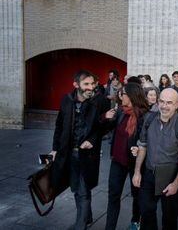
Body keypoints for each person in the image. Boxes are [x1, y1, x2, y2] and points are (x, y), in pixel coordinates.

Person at [50, 70, 109, 230]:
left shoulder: (99, 102)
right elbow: (59, 125)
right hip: (68, 153)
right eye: (86, 84)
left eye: (92, 84)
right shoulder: (66, 100)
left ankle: (80, 225)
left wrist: (92, 140)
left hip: (87, 155)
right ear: (76, 85)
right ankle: (87, 217)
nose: (91, 87)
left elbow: (104, 127)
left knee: (83, 189)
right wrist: (55, 148)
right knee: (76, 187)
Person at [132, 88, 178, 230]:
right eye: (162, 101)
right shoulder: (149, 118)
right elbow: (143, 146)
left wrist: (176, 183)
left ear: (177, 105)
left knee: (169, 217)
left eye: (169, 103)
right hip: (149, 173)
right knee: (146, 212)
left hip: (170, 177)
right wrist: (137, 172)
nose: (164, 106)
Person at [103, 83, 149, 230]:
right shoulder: (121, 112)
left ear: (131, 96)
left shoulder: (144, 116)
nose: (120, 96)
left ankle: (136, 221)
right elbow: (105, 130)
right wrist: (105, 117)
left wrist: (139, 148)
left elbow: (147, 139)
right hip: (117, 161)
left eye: (123, 93)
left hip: (134, 163)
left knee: (137, 195)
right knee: (113, 195)